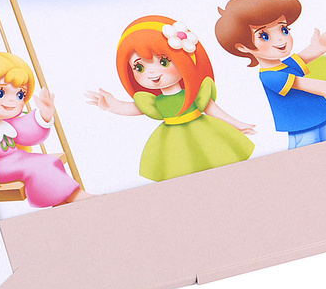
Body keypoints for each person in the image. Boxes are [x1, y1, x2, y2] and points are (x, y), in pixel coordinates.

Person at [86, 16, 255, 181]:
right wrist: (112, 105)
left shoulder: (195, 94)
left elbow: (211, 107)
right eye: (139, 67)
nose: (152, 72)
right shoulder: (154, 102)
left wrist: (236, 124)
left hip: (204, 134)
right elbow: (134, 108)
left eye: (164, 62)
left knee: (216, 164)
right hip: (173, 143)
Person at [214, 0, 326, 149]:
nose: (280, 39)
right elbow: (299, 83)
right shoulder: (270, 76)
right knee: (309, 155)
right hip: (301, 126)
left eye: (284, 29)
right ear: (243, 47)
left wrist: (318, 48)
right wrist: (323, 87)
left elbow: (302, 57)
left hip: (318, 118)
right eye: (264, 36)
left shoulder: (285, 66)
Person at [0, 50, 89, 206]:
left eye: (20, 95)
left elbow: (27, 130)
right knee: (37, 166)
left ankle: (63, 202)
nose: (13, 101)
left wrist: (44, 115)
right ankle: (77, 196)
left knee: (50, 161)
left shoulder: (7, 124)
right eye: (0, 92)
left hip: (18, 158)